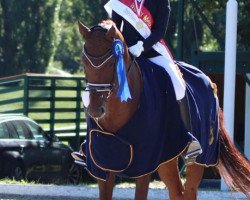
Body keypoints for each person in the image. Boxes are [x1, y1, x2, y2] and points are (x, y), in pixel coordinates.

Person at [104, 0, 202, 165]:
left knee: (178, 86)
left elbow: (159, 31)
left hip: (152, 50)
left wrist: (142, 46)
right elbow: (114, 27)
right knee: (98, 80)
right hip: (126, 53)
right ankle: (90, 144)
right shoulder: (122, 1)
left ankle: (187, 139)